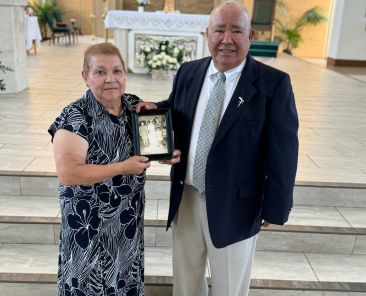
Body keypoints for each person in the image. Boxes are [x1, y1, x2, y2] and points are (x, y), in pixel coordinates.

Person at [136, 1, 298, 296]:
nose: (227, 39)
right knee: (186, 282)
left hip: (236, 203)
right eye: (219, 30)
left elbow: (284, 152)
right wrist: (155, 110)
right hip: (186, 195)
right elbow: (177, 107)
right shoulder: (189, 71)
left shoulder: (273, 85)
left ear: (250, 36)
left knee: (229, 286)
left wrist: (277, 206)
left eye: (237, 31)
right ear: (206, 34)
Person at [48, 43, 152, 296]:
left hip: (126, 225)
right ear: (85, 76)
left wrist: (167, 154)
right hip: (89, 226)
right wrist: (123, 167)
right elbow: (69, 173)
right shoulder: (75, 116)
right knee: (89, 286)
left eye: (117, 71)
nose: (110, 79)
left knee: (125, 282)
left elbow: (149, 143)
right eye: (100, 72)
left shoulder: (133, 106)